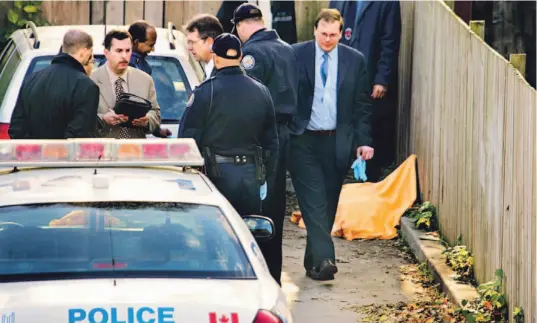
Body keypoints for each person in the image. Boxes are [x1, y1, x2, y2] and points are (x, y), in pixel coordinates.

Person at [289, 9, 374, 281]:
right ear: (314, 30)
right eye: (323, 34)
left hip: (337, 140)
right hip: (303, 139)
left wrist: (364, 141)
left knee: (328, 201)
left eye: (333, 35)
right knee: (313, 199)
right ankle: (326, 258)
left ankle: (313, 262)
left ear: (341, 33)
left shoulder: (354, 60)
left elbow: (361, 105)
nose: (327, 39)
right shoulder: (295, 54)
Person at [230, 2, 298, 286]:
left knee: (255, 208)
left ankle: (259, 279)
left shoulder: (254, 53)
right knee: (274, 207)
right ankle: (274, 276)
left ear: (243, 25)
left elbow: (248, 99)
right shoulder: (286, 47)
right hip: (283, 134)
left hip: (260, 138)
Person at [178, 33, 278, 219]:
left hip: (216, 177)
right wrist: (264, 176)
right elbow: (271, 143)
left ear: (215, 57)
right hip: (251, 177)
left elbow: (188, 140)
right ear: (240, 57)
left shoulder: (206, 92)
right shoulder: (262, 91)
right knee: (247, 233)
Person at [329, 0, 402, 182]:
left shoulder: (387, 3)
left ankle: (369, 178)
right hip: (341, 71)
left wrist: (382, 79)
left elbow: (389, 42)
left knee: (369, 123)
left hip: (368, 74)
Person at [9, 29, 99, 139]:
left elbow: (16, 129)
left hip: (31, 155)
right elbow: (79, 137)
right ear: (85, 52)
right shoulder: (87, 86)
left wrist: (35, 153)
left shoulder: (31, 79)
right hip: (65, 155)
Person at [90, 30, 161, 139]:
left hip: (135, 151)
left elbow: (155, 113)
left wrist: (147, 120)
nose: (124, 56)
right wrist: (103, 119)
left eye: (128, 50)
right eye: (119, 51)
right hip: (103, 152)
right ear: (106, 53)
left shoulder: (145, 80)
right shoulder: (91, 80)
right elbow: (81, 119)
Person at [128, 20, 171, 138]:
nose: (153, 49)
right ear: (136, 43)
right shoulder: (111, 66)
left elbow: (149, 104)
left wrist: (155, 129)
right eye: (150, 45)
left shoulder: (144, 66)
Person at [184, 14, 224, 80]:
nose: (189, 48)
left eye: (193, 42)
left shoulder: (222, 75)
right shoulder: (211, 70)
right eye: (188, 42)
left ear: (209, 42)